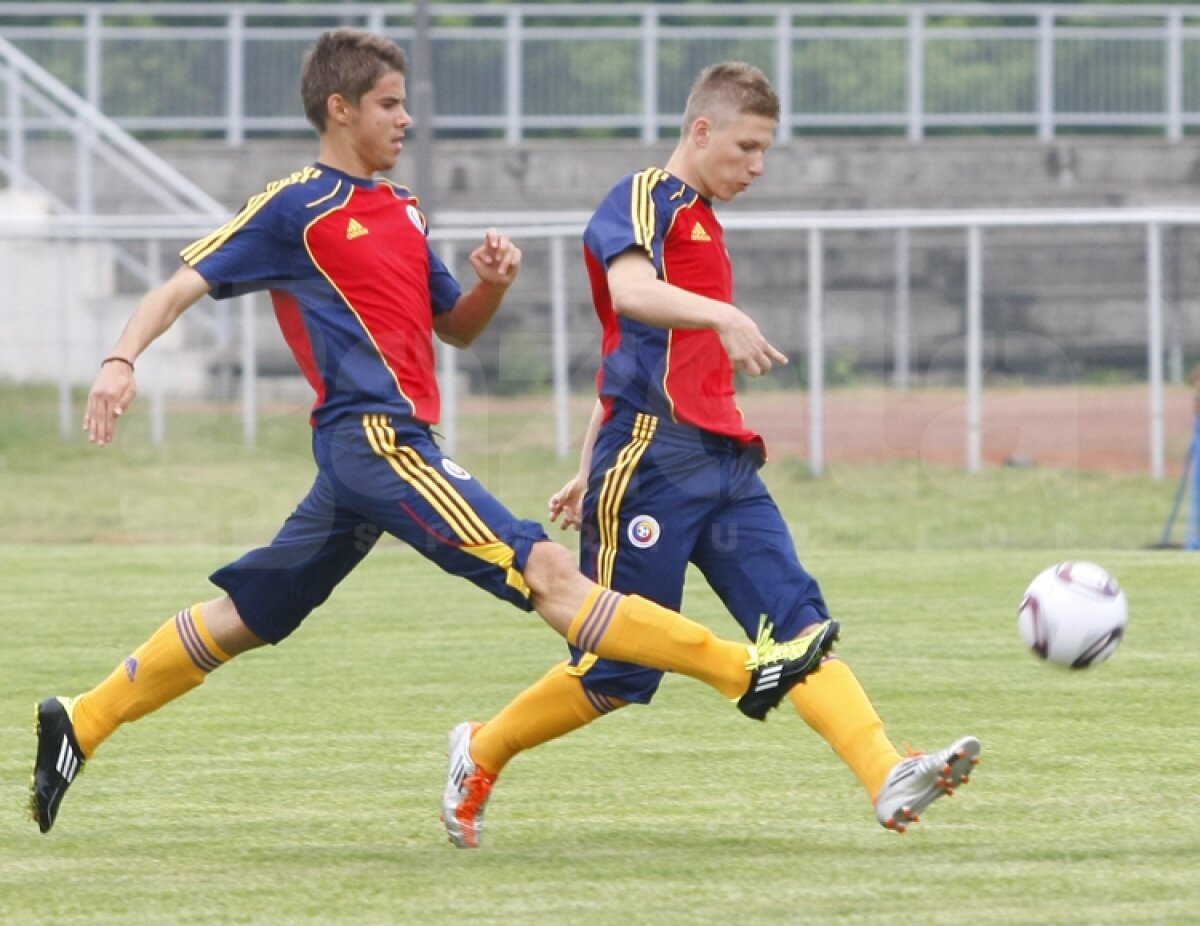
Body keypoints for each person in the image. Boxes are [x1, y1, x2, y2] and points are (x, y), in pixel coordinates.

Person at [29, 32, 841, 836]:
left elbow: (455, 328)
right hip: (376, 441)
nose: (407, 118)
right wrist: (119, 357)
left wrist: (490, 286)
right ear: (340, 110)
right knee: (549, 568)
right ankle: (747, 671)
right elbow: (181, 285)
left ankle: (83, 718)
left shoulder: (403, 209)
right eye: (390, 103)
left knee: (248, 614)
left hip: (373, 455)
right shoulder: (295, 206)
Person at [440, 61, 981, 850]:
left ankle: (885, 770)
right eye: (748, 146)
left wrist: (588, 459)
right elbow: (629, 296)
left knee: (800, 624)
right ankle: (480, 751)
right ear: (701, 131)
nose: (757, 166)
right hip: (653, 460)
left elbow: (629, 353)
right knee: (619, 673)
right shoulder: (640, 199)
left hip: (723, 459)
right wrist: (716, 324)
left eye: (766, 151)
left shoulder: (704, 223)